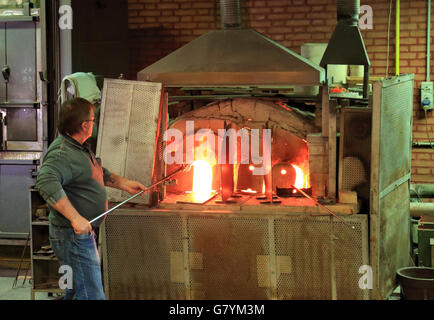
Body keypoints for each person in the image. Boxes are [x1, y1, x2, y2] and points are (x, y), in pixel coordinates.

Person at [35, 97, 146, 300]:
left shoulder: (79, 147)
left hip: (79, 235)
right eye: (93, 120)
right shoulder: (62, 153)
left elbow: (95, 172)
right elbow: (45, 181)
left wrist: (124, 183)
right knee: (91, 295)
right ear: (85, 125)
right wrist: (76, 218)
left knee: (77, 290)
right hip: (72, 236)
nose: (94, 124)